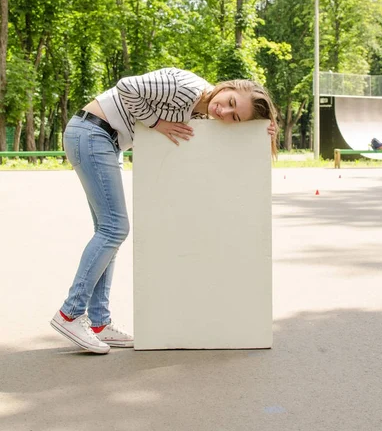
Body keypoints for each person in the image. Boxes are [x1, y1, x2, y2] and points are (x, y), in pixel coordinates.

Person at [50, 67, 278, 354]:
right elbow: (126, 86)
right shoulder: (186, 87)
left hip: (107, 140)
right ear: (228, 86)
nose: (225, 112)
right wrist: (156, 122)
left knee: (108, 233)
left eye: (236, 117)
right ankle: (70, 313)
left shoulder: (200, 109)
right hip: (92, 132)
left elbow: (212, 136)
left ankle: (99, 323)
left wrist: (259, 130)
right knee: (114, 229)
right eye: (230, 102)